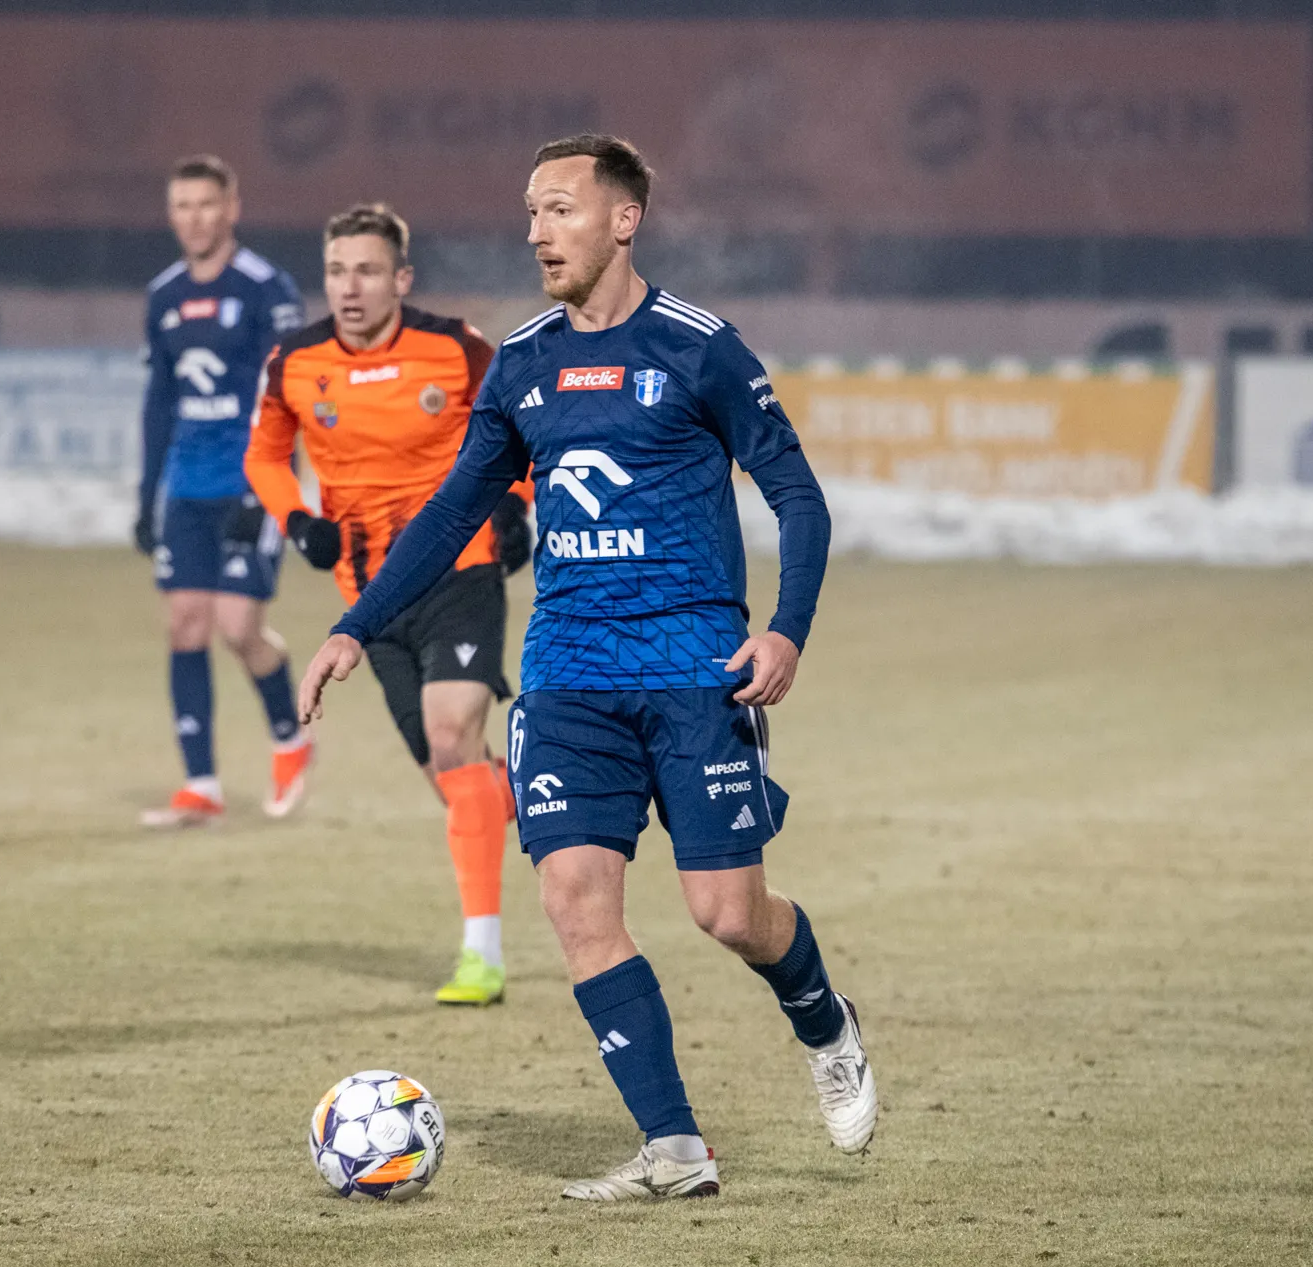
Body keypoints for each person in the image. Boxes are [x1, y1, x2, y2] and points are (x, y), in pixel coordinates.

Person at [296, 135, 875, 1199]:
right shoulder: (523, 363)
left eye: (559, 208)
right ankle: (675, 1148)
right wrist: (354, 625)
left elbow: (799, 496)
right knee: (574, 900)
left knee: (727, 913)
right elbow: (454, 513)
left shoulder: (700, 348)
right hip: (566, 673)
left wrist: (786, 628)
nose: (537, 231)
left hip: (696, 667)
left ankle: (823, 1019)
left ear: (624, 219)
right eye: (530, 211)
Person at [245, 204, 534, 1006]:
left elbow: (524, 432)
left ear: (401, 279)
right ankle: (542, 786)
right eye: (337, 271)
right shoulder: (294, 361)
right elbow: (265, 456)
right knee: (454, 778)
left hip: (462, 569)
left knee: (450, 737)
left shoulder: (456, 348)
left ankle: (481, 954)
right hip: (369, 599)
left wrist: (516, 504)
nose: (350, 287)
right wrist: (296, 519)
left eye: (368, 271)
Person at [136, 155, 312, 829]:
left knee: (239, 628)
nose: (195, 218)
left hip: (252, 483)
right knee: (185, 624)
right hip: (186, 486)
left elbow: (287, 396)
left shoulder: (267, 289)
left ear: (232, 208)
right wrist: (146, 496)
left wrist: (264, 491)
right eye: (182, 206)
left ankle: (290, 738)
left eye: (206, 204)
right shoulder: (163, 295)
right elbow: (159, 401)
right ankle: (201, 785)